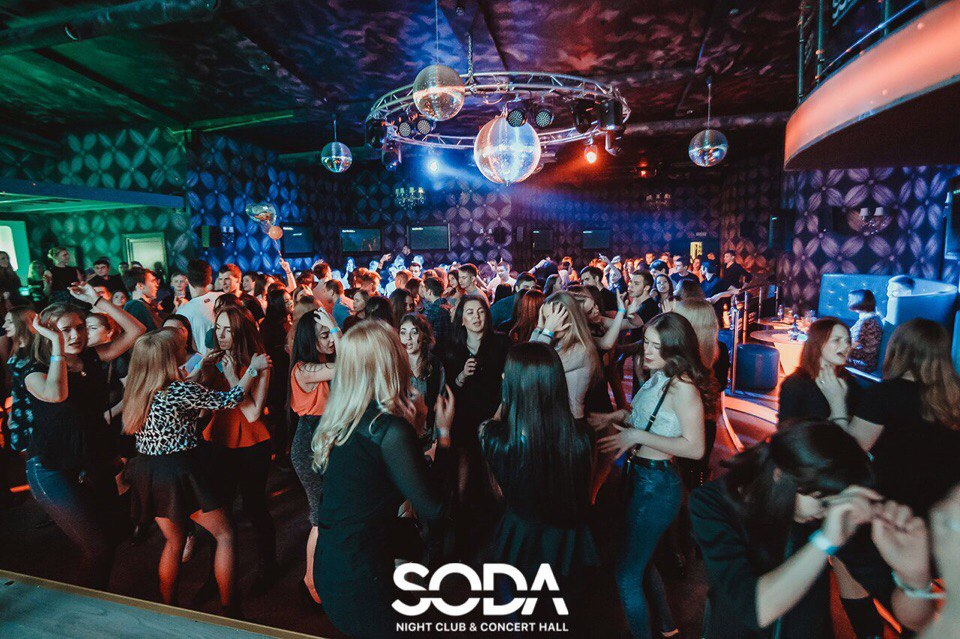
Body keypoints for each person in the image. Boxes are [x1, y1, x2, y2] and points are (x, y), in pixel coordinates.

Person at [690, 419, 934, 639]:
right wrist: (824, 541)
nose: (827, 514)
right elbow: (755, 610)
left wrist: (914, 579)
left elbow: (916, 620)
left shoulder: (826, 511)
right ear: (780, 475)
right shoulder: (713, 503)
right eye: (823, 503)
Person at [311, 320, 454, 638]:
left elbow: (372, 484)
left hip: (334, 562)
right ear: (391, 361)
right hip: (361, 577)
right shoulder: (388, 429)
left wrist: (416, 427)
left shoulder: (344, 417)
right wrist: (443, 433)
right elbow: (435, 508)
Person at [122, 328, 268, 611]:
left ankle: (169, 607)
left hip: (148, 470)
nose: (185, 351)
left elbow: (182, 390)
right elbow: (230, 399)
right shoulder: (179, 391)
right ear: (168, 359)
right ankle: (230, 609)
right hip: (178, 469)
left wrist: (201, 367)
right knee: (225, 534)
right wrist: (253, 369)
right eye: (180, 349)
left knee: (173, 541)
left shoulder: (139, 388)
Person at [596, 312, 716, 638]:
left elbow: (695, 448)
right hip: (641, 477)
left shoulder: (683, 388)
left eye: (654, 346)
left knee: (625, 574)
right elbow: (648, 417)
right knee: (642, 563)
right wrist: (614, 417)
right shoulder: (660, 375)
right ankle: (667, 627)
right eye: (646, 343)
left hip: (657, 486)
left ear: (675, 348)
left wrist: (637, 436)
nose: (645, 351)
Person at [24, 283, 146, 588]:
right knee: (96, 548)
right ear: (47, 333)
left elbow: (137, 330)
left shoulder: (90, 358)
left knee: (110, 541)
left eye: (79, 327)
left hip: (91, 463)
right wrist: (56, 346)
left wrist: (97, 301)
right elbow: (57, 394)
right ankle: (84, 606)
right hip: (51, 469)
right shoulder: (35, 372)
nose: (76, 335)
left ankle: (97, 597)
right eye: (64, 330)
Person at [479, 341, 598, 631]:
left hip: (520, 536)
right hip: (566, 540)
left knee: (517, 613)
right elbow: (583, 492)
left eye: (508, 374)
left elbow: (491, 432)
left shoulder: (496, 439)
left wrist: (508, 397)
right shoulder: (582, 438)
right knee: (561, 614)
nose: (503, 376)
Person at [847, 319, 960, 516]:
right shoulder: (954, 396)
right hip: (942, 507)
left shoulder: (884, 394)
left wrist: (836, 405)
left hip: (893, 507)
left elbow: (850, 451)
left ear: (897, 349)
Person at [201, 306, 277, 593]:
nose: (221, 335)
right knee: (218, 510)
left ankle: (267, 568)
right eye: (218, 328)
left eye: (228, 330)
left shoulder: (259, 362)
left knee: (254, 507)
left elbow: (254, 413)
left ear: (241, 332)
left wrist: (235, 377)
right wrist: (204, 371)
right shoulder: (215, 359)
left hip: (252, 442)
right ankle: (214, 575)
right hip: (219, 438)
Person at [289, 308, 339, 606]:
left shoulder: (320, 366)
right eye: (324, 335)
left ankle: (323, 574)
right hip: (309, 444)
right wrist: (334, 326)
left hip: (324, 439)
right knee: (320, 517)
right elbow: (348, 363)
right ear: (311, 339)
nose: (331, 340)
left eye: (330, 334)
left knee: (328, 513)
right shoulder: (303, 369)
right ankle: (310, 579)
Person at [675, 299, 725, 487]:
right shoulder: (720, 351)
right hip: (707, 420)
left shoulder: (677, 353)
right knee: (697, 469)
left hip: (679, 421)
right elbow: (721, 385)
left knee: (679, 470)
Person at [531, 291, 603, 419]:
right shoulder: (556, 342)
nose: (549, 324)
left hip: (570, 422)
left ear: (568, 318)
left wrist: (547, 332)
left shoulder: (581, 350)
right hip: (555, 419)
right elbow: (527, 358)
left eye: (552, 319)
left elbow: (531, 369)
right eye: (546, 318)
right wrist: (539, 328)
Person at [778, 318, 858, 426]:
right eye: (836, 340)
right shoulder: (795, 384)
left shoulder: (849, 382)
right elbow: (785, 430)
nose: (846, 346)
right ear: (818, 343)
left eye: (847, 341)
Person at [399, 314, 446, 449]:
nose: (408, 338)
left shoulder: (435, 366)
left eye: (414, 332)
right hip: (400, 437)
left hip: (427, 437)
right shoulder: (395, 365)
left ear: (424, 336)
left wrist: (435, 442)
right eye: (403, 332)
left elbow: (440, 404)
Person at [3, 306, 37, 454]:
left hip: (33, 408)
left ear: (22, 323)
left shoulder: (36, 350)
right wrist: (12, 411)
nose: (4, 326)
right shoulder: (17, 347)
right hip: (20, 406)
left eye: (9, 322)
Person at [177, 259, 223, 355]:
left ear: (187, 280)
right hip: (230, 359)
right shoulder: (224, 298)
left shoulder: (182, 312)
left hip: (204, 361)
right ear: (210, 279)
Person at [847, 289, 882, 372]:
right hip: (870, 361)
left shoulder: (866, 322)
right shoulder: (875, 318)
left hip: (862, 363)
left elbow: (853, 344)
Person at [122, 266, 162, 331]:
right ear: (140, 286)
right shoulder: (135, 306)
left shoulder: (142, 305)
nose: (156, 285)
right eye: (152, 281)